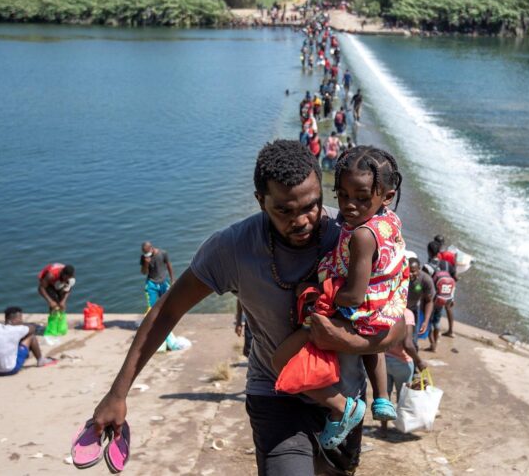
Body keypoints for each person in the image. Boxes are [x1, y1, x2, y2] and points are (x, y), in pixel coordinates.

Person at [91, 140, 404, 475]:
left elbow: (396, 323)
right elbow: (167, 311)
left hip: (345, 403)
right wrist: (118, 393)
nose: (302, 220)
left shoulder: (353, 234)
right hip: (275, 395)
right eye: (284, 210)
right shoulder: (232, 248)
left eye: (311, 206)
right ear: (260, 200)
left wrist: (347, 341)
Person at [272, 145, 408, 450]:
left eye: (361, 198)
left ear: (387, 196)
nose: (349, 206)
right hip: (383, 309)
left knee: (281, 360)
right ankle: (382, 398)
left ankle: (342, 407)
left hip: (357, 311)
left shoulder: (361, 235)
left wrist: (322, 297)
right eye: (342, 195)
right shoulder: (388, 220)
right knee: (372, 347)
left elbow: (354, 296)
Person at [380, 305, 427, 436]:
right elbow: (408, 344)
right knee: (403, 397)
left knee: (384, 396)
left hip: (383, 360)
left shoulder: (384, 309)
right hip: (402, 363)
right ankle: (400, 426)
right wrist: (419, 361)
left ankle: (383, 428)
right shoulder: (407, 314)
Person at [0, 306, 56, 375]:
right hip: (9, 369)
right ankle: (41, 360)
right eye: (20, 319)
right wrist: (27, 324)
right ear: (13, 320)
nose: (22, 321)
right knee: (31, 337)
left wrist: (20, 324)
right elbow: (32, 328)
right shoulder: (18, 330)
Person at [424, 239, 457, 349]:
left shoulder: (427, 266)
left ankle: (432, 343)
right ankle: (435, 342)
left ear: (429, 251)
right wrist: (451, 297)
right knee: (437, 321)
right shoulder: (446, 264)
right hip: (442, 297)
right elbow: (454, 278)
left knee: (427, 320)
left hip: (430, 299)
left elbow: (423, 283)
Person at [37, 263, 75, 336]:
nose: (67, 280)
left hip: (58, 282)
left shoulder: (71, 278)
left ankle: (60, 327)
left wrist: (63, 301)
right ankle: (52, 329)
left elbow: (68, 289)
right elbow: (40, 289)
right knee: (54, 305)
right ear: (62, 274)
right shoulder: (50, 275)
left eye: (68, 279)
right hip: (47, 284)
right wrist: (50, 301)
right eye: (66, 278)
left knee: (61, 305)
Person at [406, 257, 435, 347]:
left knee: (414, 338)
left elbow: (429, 301)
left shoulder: (426, 280)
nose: (410, 274)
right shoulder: (401, 275)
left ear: (419, 269)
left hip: (413, 309)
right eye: (408, 271)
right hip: (399, 307)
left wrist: (426, 321)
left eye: (413, 271)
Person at [140, 242, 174, 310]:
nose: (147, 256)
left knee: (168, 304)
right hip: (151, 283)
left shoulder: (163, 253)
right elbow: (144, 272)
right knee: (151, 308)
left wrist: (172, 279)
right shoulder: (144, 257)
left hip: (163, 282)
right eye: (145, 254)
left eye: (148, 253)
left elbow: (169, 266)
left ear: (152, 248)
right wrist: (146, 264)